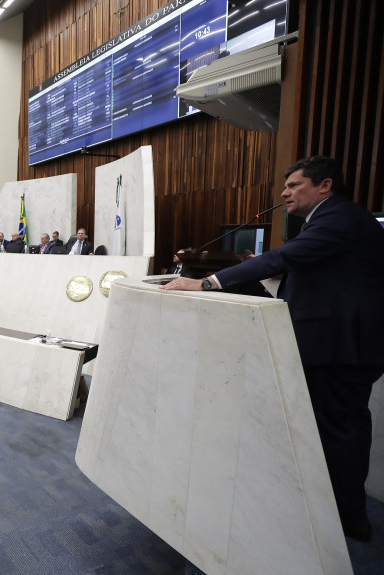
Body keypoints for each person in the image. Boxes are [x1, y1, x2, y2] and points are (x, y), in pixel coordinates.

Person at [161, 156, 384, 541]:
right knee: (331, 430)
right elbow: (310, 268)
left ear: (324, 185)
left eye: (294, 185)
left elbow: (285, 257)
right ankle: (331, 512)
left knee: (340, 431)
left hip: (341, 349)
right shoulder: (330, 220)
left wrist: (208, 283)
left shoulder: (341, 217)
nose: (284, 193)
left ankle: (347, 521)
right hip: (335, 346)